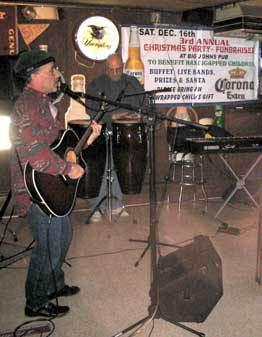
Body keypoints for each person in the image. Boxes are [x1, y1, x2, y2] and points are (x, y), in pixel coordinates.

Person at [10, 50, 102, 317]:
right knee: (48, 248)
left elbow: (55, 146)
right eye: (51, 70)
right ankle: (35, 302)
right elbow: (35, 155)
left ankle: (54, 285)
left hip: (49, 184)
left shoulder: (41, 102)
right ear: (33, 76)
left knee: (62, 238)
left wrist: (87, 141)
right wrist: (67, 167)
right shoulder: (28, 106)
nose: (57, 74)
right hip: (36, 190)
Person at [85, 53, 145, 222]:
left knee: (120, 167)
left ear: (123, 67)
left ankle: (116, 204)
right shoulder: (97, 84)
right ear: (106, 68)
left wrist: (133, 116)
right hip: (101, 132)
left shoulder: (131, 83)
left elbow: (142, 104)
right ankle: (97, 206)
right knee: (102, 168)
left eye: (119, 69)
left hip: (126, 132)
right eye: (112, 70)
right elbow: (90, 110)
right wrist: (112, 117)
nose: (116, 73)